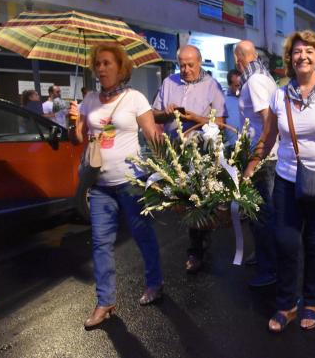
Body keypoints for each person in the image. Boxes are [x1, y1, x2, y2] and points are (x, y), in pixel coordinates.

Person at [245, 30, 315, 332]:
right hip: (287, 180)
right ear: (290, 59)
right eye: (297, 52)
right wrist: (251, 164)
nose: (302, 56)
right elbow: (268, 138)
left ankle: (311, 301)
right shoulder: (279, 94)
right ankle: (286, 304)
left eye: (309, 51)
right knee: (286, 242)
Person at [68, 44, 163, 329]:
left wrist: (168, 172)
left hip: (131, 182)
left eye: (107, 63)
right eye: (97, 64)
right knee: (100, 243)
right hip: (99, 186)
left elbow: (152, 134)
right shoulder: (89, 101)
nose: (101, 68)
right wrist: (73, 122)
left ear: (121, 68)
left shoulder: (135, 98)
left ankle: (154, 282)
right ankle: (105, 301)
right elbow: (77, 139)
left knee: (142, 234)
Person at [152, 45, 226, 274]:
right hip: (175, 151)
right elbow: (154, 114)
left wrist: (194, 118)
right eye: (181, 65)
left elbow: (221, 123)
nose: (185, 69)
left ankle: (196, 249)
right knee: (183, 203)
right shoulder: (168, 82)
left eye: (190, 65)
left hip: (201, 151)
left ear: (200, 62)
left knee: (198, 201)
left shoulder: (212, 85)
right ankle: (199, 240)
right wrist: (168, 112)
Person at [233, 40, 278, 287]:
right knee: (258, 213)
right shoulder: (261, 76)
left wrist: (255, 158)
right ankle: (263, 257)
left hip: (263, 159)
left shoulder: (256, 81)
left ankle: (269, 269)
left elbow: (268, 121)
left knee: (262, 215)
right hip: (260, 156)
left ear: (238, 59)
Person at [224, 69, 241, 146]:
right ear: (229, 84)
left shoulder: (248, 97)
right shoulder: (222, 100)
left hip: (249, 144)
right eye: (237, 85)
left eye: (242, 84)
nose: (240, 88)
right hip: (231, 146)